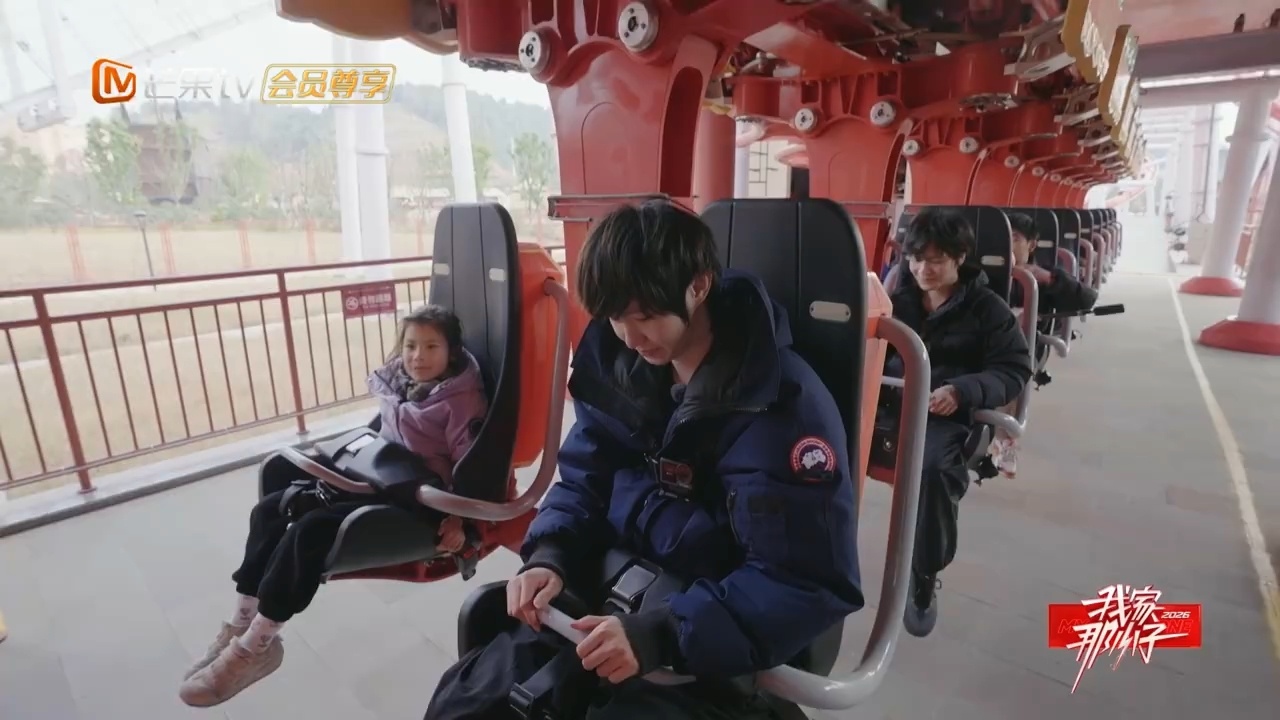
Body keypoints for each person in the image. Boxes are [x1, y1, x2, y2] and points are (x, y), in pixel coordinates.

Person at [423, 199, 863, 720]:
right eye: (615, 318)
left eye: (646, 316)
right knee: (467, 702)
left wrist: (662, 633)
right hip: (603, 593)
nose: (630, 338)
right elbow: (583, 479)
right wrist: (552, 555)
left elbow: (803, 578)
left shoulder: (785, 412)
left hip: (700, 632)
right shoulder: (622, 370)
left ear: (699, 286)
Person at [179, 305, 489, 708]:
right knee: (269, 510)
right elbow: (386, 429)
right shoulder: (401, 384)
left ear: (452, 352)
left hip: (422, 501)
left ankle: (258, 645)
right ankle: (241, 622)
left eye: (431, 347)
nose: (418, 356)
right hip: (383, 475)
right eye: (411, 345)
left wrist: (459, 517)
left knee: (310, 532)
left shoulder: (460, 402)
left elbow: (472, 466)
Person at [882, 208, 1032, 639]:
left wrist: (962, 391)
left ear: (960, 258)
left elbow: (1013, 368)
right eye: (916, 259)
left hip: (940, 414)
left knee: (931, 470)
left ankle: (924, 574)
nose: (922, 270)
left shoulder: (988, 309)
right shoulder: (896, 299)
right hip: (889, 403)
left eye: (935, 261)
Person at [992, 212, 1098, 477]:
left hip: (1026, 346)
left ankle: (1005, 441)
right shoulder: (986, 271)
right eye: (1003, 238)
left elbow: (1086, 299)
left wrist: (1048, 279)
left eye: (1015, 238)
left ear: (1031, 244)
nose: (1008, 245)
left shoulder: (1044, 275)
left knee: (1010, 369)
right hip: (985, 341)